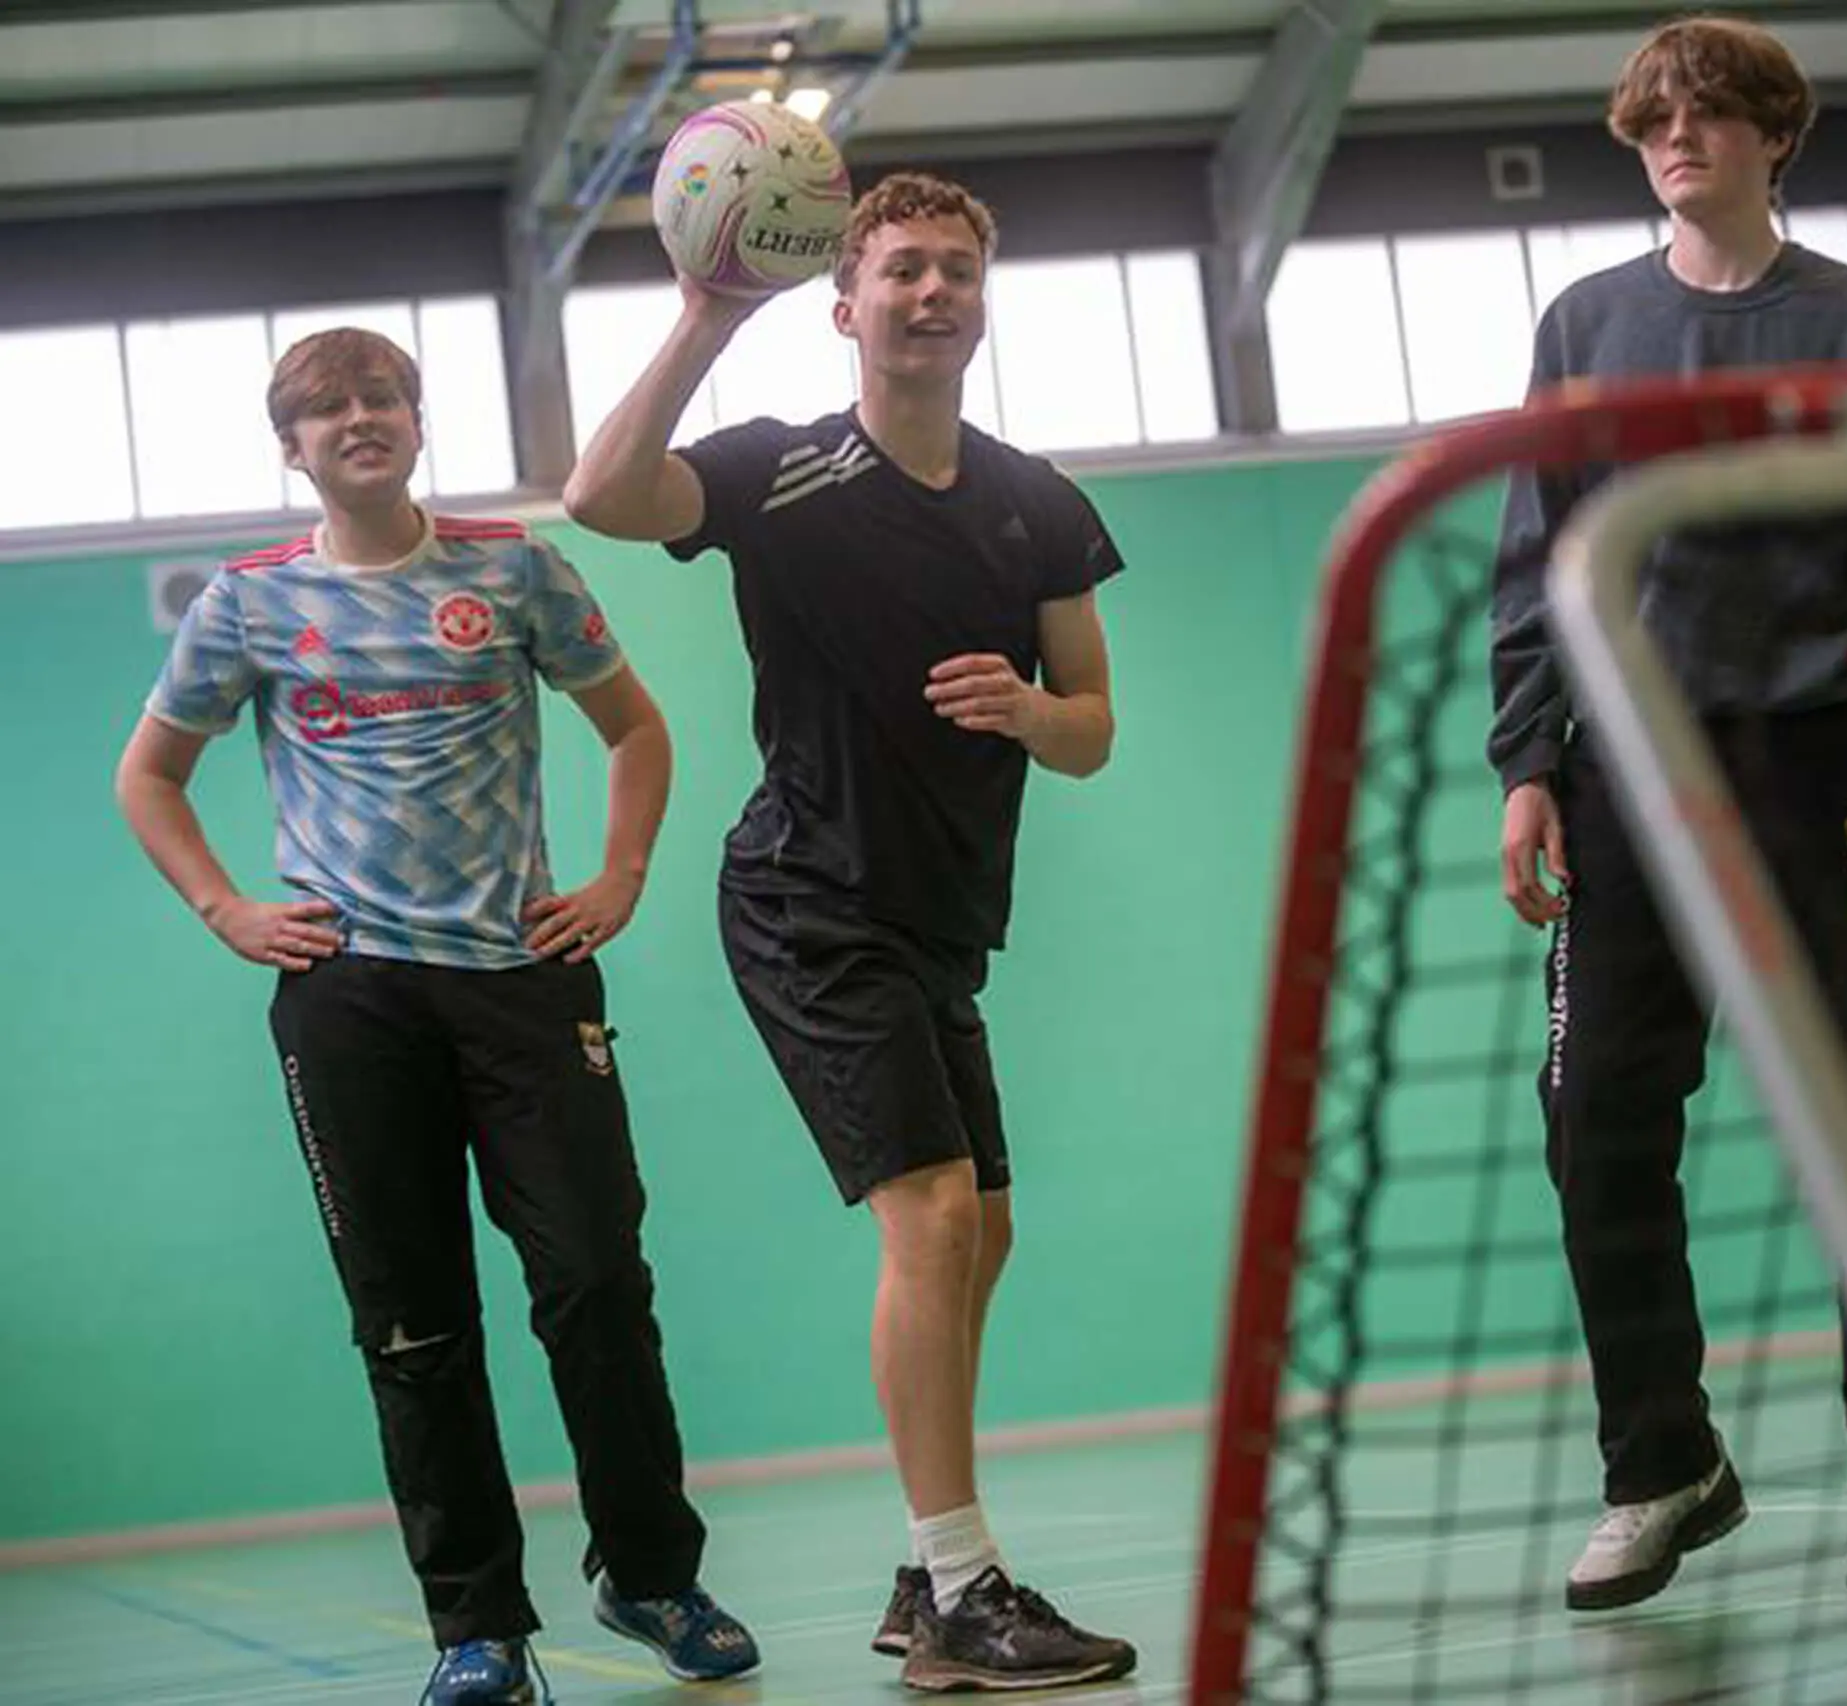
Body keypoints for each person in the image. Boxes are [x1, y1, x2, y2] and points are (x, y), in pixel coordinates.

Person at [112, 328, 759, 1704]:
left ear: (416, 419)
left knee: (594, 1281)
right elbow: (149, 777)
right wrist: (230, 911)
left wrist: (620, 875)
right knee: (412, 1322)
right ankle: (480, 1631)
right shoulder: (244, 606)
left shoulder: (513, 567)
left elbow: (635, 728)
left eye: (381, 397)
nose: (359, 420)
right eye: (326, 408)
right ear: (291, 445)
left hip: (523, 982)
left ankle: (649, 1573)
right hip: (353, 1006)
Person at [563, 172, 1137, 1692]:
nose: (932, 291)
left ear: (982, 301)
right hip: (808, 898)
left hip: (944, 920)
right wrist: (702, 315)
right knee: (935, 1215)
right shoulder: (778, 471)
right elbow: (600, 496)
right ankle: (962, 1587)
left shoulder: (1039, 503)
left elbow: (1091, 731)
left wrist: (1027, 709)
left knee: (981, 1232)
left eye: (957, 268)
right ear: (848, 303)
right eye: (903, 270)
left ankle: (920, 1569)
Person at [1487, 14, 1847, 1607]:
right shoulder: (1582, 323)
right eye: (1653, 119)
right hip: (1625, 776)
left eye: (1706, 113)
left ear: (1776, 135)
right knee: (1595, 1126)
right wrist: (1526, 763)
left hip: (1819, 769)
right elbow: (1537, 557)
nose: (1675, 137)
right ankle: (1664, 1466)